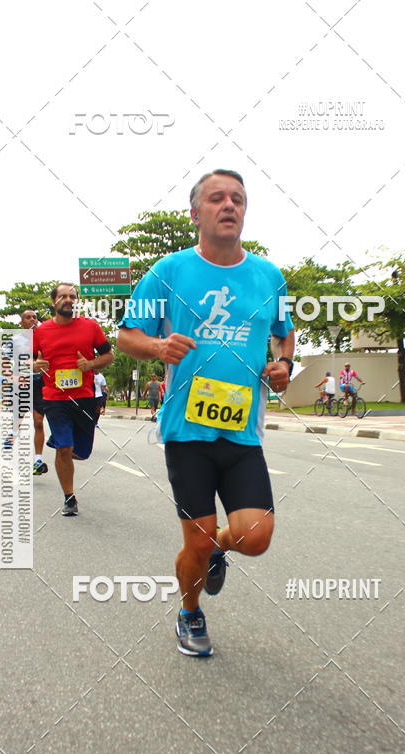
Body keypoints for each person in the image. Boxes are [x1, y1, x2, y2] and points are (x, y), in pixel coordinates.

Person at [117, 168, 294, 657]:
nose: (229, 205)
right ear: (196, 213)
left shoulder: (267, 276)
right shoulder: (168, 272)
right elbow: (126, 336)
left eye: (237, 198)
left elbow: (284, 331)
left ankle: (218, 547)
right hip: (187, 432)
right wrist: (157, 345)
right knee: (193, 544)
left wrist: (283, 363)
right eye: (217, 198)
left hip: (243, 433)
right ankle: (190, 612)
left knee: (255, 538)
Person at [33, 283, 114, 516]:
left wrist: (90, 364)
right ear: (53, 302)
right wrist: (34, 365)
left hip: (85, 398)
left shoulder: (90, 327)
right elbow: (25, 360)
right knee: (65, 448)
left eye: (72, 296)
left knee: (83, 452)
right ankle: (69, 497)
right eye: (62, 296)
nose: (67, 299)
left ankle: (58, 441)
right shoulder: (41, 332)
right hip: (55, 398)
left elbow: (109, 355)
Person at [19, 308, 49, 475]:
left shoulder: (44, 338)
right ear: (22, 322)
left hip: (39, 383)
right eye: (28, 318)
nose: (32, 320)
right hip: (21, 384)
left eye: (34, 317)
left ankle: (37, 460)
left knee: (38, 422)